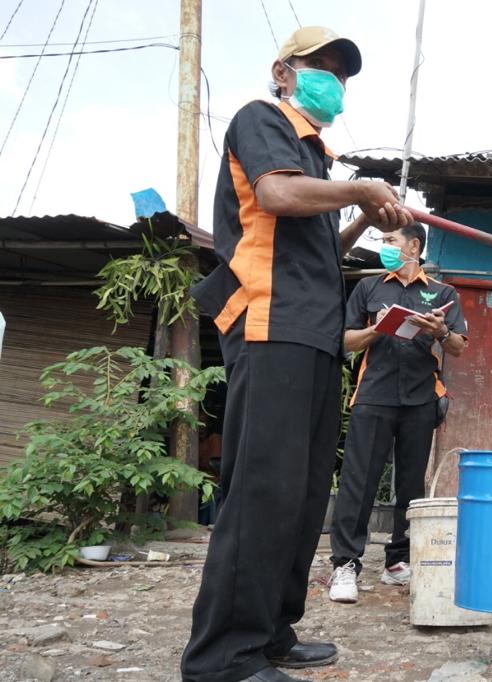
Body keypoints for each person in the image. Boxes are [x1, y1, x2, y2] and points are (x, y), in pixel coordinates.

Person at [183, 26, 414, 682]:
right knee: (262, 491)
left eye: (342, 74)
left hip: (314, 335)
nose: (332, 82)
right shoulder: (263, 121)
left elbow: (316, 252)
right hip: (270, 325)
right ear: (283, 72)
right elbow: (276, 197)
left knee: (304, 493)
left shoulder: (316, 159)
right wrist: (362, 189)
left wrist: (365, 219)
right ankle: (223, 658)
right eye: (321, 68)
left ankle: (272, 631)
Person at [327, 223, 468, 603]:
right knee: (359, 483)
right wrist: (378, 329)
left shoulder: (441, 293)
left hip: (421, 399)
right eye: (384, 241)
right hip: (373, 395)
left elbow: (456, 347)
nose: (385, 247)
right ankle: (345, 565)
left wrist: (439, 330)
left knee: (410, 486)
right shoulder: (369, 288)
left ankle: (398, 561)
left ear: (414, 246)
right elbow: (345, 339)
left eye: (391, 241)